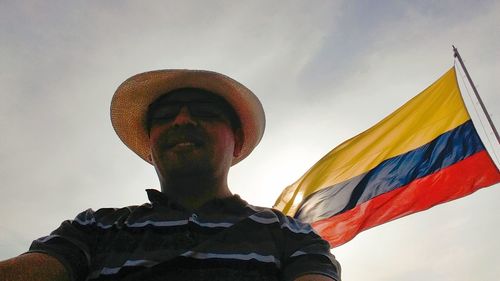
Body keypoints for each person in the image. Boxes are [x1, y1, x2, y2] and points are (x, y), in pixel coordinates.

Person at [0, 70, 341, 281]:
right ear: (149, 147)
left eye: (205, 112)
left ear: (236, 142)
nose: (181, 121)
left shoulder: (289, 234)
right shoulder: (94, 229)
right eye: (163, 116)